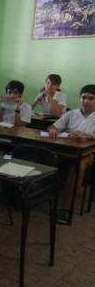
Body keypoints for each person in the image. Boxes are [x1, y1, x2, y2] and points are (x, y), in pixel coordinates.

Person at [47, 84, 95, 214]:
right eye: (83, 97)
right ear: (80, 98)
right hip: (66, 148)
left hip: (88, 153)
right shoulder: (71, 114)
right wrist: (52, 130)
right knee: (42, 154)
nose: (86, 101)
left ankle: (66, 209)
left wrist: (86, 136)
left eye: (91, 98)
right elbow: (54, 127)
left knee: (77, 165)